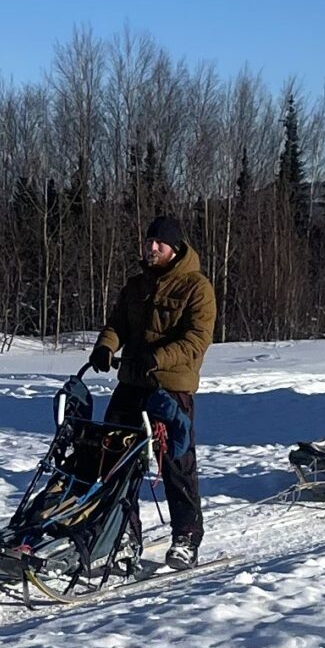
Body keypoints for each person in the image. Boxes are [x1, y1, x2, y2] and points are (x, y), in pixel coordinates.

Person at [87, 214, 216, 569]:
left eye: (159, 243)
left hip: (170, 388)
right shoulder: (136, 285)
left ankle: (187, 536)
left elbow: (197, 339)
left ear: (174, 248)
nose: (151, 248)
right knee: (113, 459)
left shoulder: (196, 287)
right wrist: (106, 346)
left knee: (175, 463)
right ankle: (124, 534)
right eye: (148, 242)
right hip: (130, 383)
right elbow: (117, 323)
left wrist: (158, 358)